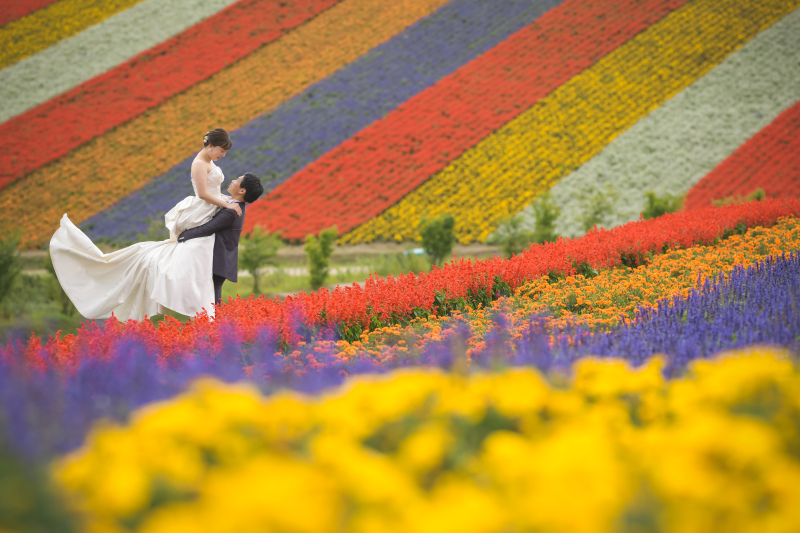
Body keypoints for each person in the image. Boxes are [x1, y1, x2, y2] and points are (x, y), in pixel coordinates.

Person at [49, 128, 257, 321]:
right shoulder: (198, 164)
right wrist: (227, 204)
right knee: (190, 258)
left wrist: (226, 201)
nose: (223, 155)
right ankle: (202, 310)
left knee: (202, 267)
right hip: (204, 207)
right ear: (211, 146)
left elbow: (212, 193)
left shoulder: (210, 164)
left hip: (212, 207)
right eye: (222, 150)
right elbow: (203, 194)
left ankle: (205, 311)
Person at [177, 172, 264, 305]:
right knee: (210, 295)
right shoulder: (235, 205)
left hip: (219, 261)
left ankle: (216, 324)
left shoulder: (231, 212)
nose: (233, 180)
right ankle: (213, 323)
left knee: (212, 296)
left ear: (242, 190)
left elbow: (208, 228)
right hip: (222, 260)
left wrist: (183, 236)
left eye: (238, 180)